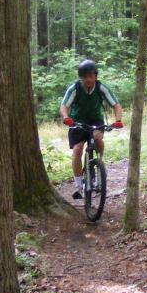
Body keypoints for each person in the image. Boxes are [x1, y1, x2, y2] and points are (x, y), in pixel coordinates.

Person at [60, 60, 123, 199]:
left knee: (98, 138)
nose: (88, 79)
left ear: (95, 76)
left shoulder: (101, 87)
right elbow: (64, 105)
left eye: (90, 76)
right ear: (81, 78)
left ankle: (99, 163)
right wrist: (66, 117)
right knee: (77, 150)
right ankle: (78, 185)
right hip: (77, 121)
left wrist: (118, 120)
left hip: (95, 120)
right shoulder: (75, 88)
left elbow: (116, 105)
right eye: (84, 76)